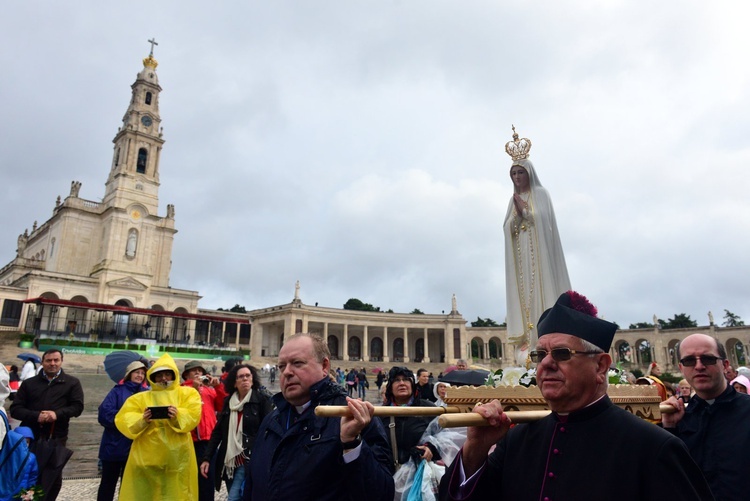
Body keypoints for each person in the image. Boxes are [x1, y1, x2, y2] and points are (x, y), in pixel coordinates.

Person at [439, 291, 713, 501]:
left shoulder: (655, 448)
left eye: (561, 354)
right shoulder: (517, 440)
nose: (545, 364)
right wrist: (474, 451)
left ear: (601, 366)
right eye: (539, 354)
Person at [246, 333, 394, 500]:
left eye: (297, 363)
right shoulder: (271, 420)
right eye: (281, 366)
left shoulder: (353, 417)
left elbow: (381, 494)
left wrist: (352, 444)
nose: (286, 372)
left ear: (324, 366)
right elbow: (251, 484)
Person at [503, 128, 571, 363]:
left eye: (521, 172)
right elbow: (507, 228)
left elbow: (546, 223)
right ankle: (528, 343)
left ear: (529, 173)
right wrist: (516, 217)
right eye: (513, 174)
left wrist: (527, 213)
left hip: (540, 260)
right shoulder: (511, 201)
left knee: (542, 294)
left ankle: (544, 339)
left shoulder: (541, 194)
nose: (517, 177)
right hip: (522, 262)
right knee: (525, 298)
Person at [662, 333, 750, 500]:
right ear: (681, 369)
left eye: (708, 359)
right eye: (689, 361)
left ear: (725, 365)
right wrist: (670, 429)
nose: (699, 366)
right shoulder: (678, 418)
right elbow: (669, 478)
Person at [115, 353, 201, 500]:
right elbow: (124, 419)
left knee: (177, 493)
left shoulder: (188, 393)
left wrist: (177, 416)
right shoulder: (139, 398)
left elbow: (193, 415)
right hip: (146, 458)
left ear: (174, 375)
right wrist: (143, 420)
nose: (164, 379)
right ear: (152, 377)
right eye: (159, 375)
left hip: (177, 457)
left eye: (168, 374)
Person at [10, 349, 84, 500]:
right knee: (28, 473)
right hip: (30, 437)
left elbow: (77, 407)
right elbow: (15, 409)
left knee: (53, 476)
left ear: (61, 361)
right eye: (49, 360)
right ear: (42, 362)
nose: (52, 363)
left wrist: (56, 414)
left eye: (56, 360)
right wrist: (36, 416)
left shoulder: (72, 383)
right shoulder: (29, 383)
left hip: (57, 436)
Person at [200, 364, 271, 501]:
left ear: (252, 379)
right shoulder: (229, 402)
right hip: (229, 462)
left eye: (248, 376)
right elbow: (218, 433)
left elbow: (267, 431)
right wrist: (207, 458)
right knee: (241, 495)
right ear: (234, 383)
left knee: (233, 497)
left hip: (248, 459)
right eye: (241, 376)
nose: (245, 379)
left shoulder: (262, 400)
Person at [97, 361, 148, 501]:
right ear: (129, 374)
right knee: (108, 484)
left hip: (135, 448)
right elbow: (104, 415)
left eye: (143, 373)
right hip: (114, 446)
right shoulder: (117, 391)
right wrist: (128, 420)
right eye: (137, 372)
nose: (140, 375)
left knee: (130, 486)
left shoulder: (146, 394)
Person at [181, 360, 228, 501]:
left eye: (200, 371)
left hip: (209, 441)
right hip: (191, 441)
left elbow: (222, 406)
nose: (197, 373)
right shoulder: (182, 389)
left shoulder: (209, 389)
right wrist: (194, 390)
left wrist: (218, 386)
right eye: (193, 371)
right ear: (186, 375)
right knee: (191, 480)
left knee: (208, 480)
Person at [380, 367, 440, 469]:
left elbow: (442, 435)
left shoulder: (428, 409)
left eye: (406, 379)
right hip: (388, 473)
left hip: (420, 473)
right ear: (390, 387)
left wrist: (431, 447)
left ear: (412, 385)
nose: (402, 383)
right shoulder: (381, 413)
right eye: (396, 380)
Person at [13, 427, 39, 491]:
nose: (24, 444)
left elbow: (33, 475)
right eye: (21, 441)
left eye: (27, 442)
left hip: (22, 492)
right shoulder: (8, 455)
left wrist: (31, 489)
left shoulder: (31, 457)